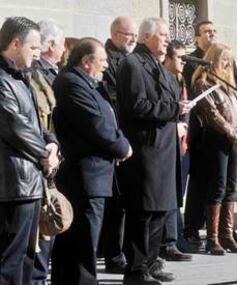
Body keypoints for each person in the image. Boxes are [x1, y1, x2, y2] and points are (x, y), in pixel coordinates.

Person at [116, 17, 194, 285]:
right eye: (162, 34)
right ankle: (136, 270)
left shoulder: (162, 68)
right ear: (146, 37)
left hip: (165, 149)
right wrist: (174, 109)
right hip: (146, 151)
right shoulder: (132, 65)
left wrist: (179, 109)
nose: (167, 40)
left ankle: (151, 262)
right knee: (143, 212)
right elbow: (136, 105)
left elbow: (170, 99)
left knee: (162, 210)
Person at [51, 38, 132, 285]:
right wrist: (122, 146)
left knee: (80, 243)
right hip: (84, 176)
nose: (106, 66)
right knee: (82, 244)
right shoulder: (71, 83)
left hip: (94, 175)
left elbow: (106, 118)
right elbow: (95, 123)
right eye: (102, 60)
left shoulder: (88, 83)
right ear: (86, 62)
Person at [0, 16, 59, 285]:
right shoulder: (3, 80)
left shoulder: (23, 78)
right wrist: (44, 154)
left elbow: (38, 124)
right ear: (15, 43)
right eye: (34, 47)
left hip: (30, 182)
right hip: (13, 185)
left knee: (26, 257)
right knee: (10, 261)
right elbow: (16, 127)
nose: (38, 54)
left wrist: (53, 145)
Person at [192, 43, 237, 255]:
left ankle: (227, 235)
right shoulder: (203, 84)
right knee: (217, 187)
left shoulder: (230, 85)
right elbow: (213, 115)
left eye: (229, 60)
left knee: (231, 188)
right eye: (223, 59)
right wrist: (234, 135)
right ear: (213, 59)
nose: (226, 64)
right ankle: (212, 238)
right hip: (217, 140)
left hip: (234, 142)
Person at [100, 15, 138, 274]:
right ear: (115, 34)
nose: (133, 39)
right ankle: (113, 253)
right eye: (128, 35)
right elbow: (112, 98)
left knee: (125, 201)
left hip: (130, 139)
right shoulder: (106, 60)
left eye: (135, 35)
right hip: (114, 138)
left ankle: (122, 250)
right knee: (114, 203)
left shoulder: (130, 59)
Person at [30, 18, 65, 285]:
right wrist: (46, 151)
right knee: (37, 238)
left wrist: (52, 145)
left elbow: (47, 125)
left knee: (47, 232)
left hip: (50, 161)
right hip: (33, 167)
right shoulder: (31, 75)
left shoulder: (45, 74)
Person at [182, 20, 219, 252]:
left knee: (219, 183)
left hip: (220, 133)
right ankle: (192, 228)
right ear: (197, 38)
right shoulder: (190, 62)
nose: (212, 35)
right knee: (198, 183)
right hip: (199, 132)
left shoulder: (222, 57)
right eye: (206, 32)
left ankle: (218, 229)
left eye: (214, 31)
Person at [160, 40, 193, 262]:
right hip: (164, 144)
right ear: (168, 58)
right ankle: (169, 242)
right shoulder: (162, 79)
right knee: (167, 195)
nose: (184, 63)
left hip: (180, 145)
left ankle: (175, 238)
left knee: (177, 194)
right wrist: (175, 125)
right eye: (180, 58)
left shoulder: (180, 80)